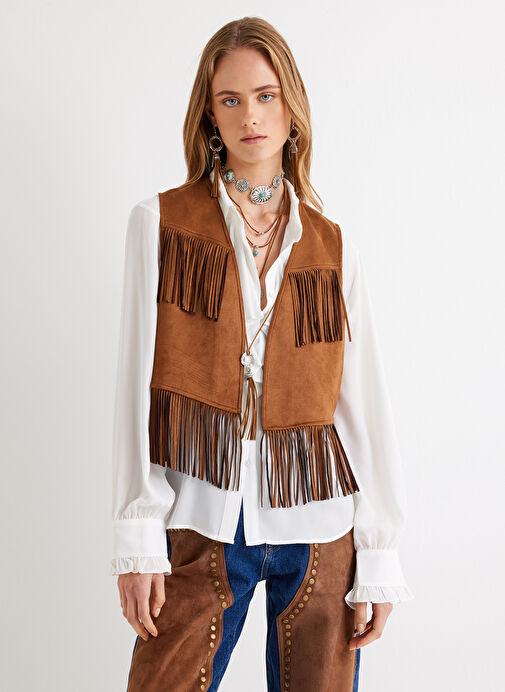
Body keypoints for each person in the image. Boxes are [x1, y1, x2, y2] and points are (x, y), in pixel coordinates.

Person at [111, 16, 414, 692]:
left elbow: (362, 407)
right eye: (231, 99)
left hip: (320, 535)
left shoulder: (334, 246)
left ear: (290, 107)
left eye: (265, 95)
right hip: (202, 524)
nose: (250, 115)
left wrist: (379, 554)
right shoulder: (159, 224)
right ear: (210, 115)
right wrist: (137, 537)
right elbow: (135, 387)